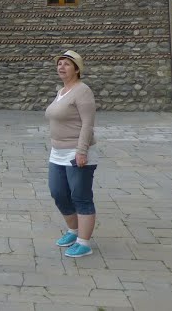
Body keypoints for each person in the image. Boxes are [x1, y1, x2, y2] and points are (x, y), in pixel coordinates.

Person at [45, 49, 97, 258]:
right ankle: (73, 231)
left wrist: (81, 151)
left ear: (77, 69)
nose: (61, 67)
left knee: (81, 196)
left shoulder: (82, 91)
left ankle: (84, 243)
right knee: (58, 193)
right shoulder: (62, 91)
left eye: (66, 64)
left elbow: (87, 123)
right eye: (59, 64)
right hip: (57, 152)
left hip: (77, 152)